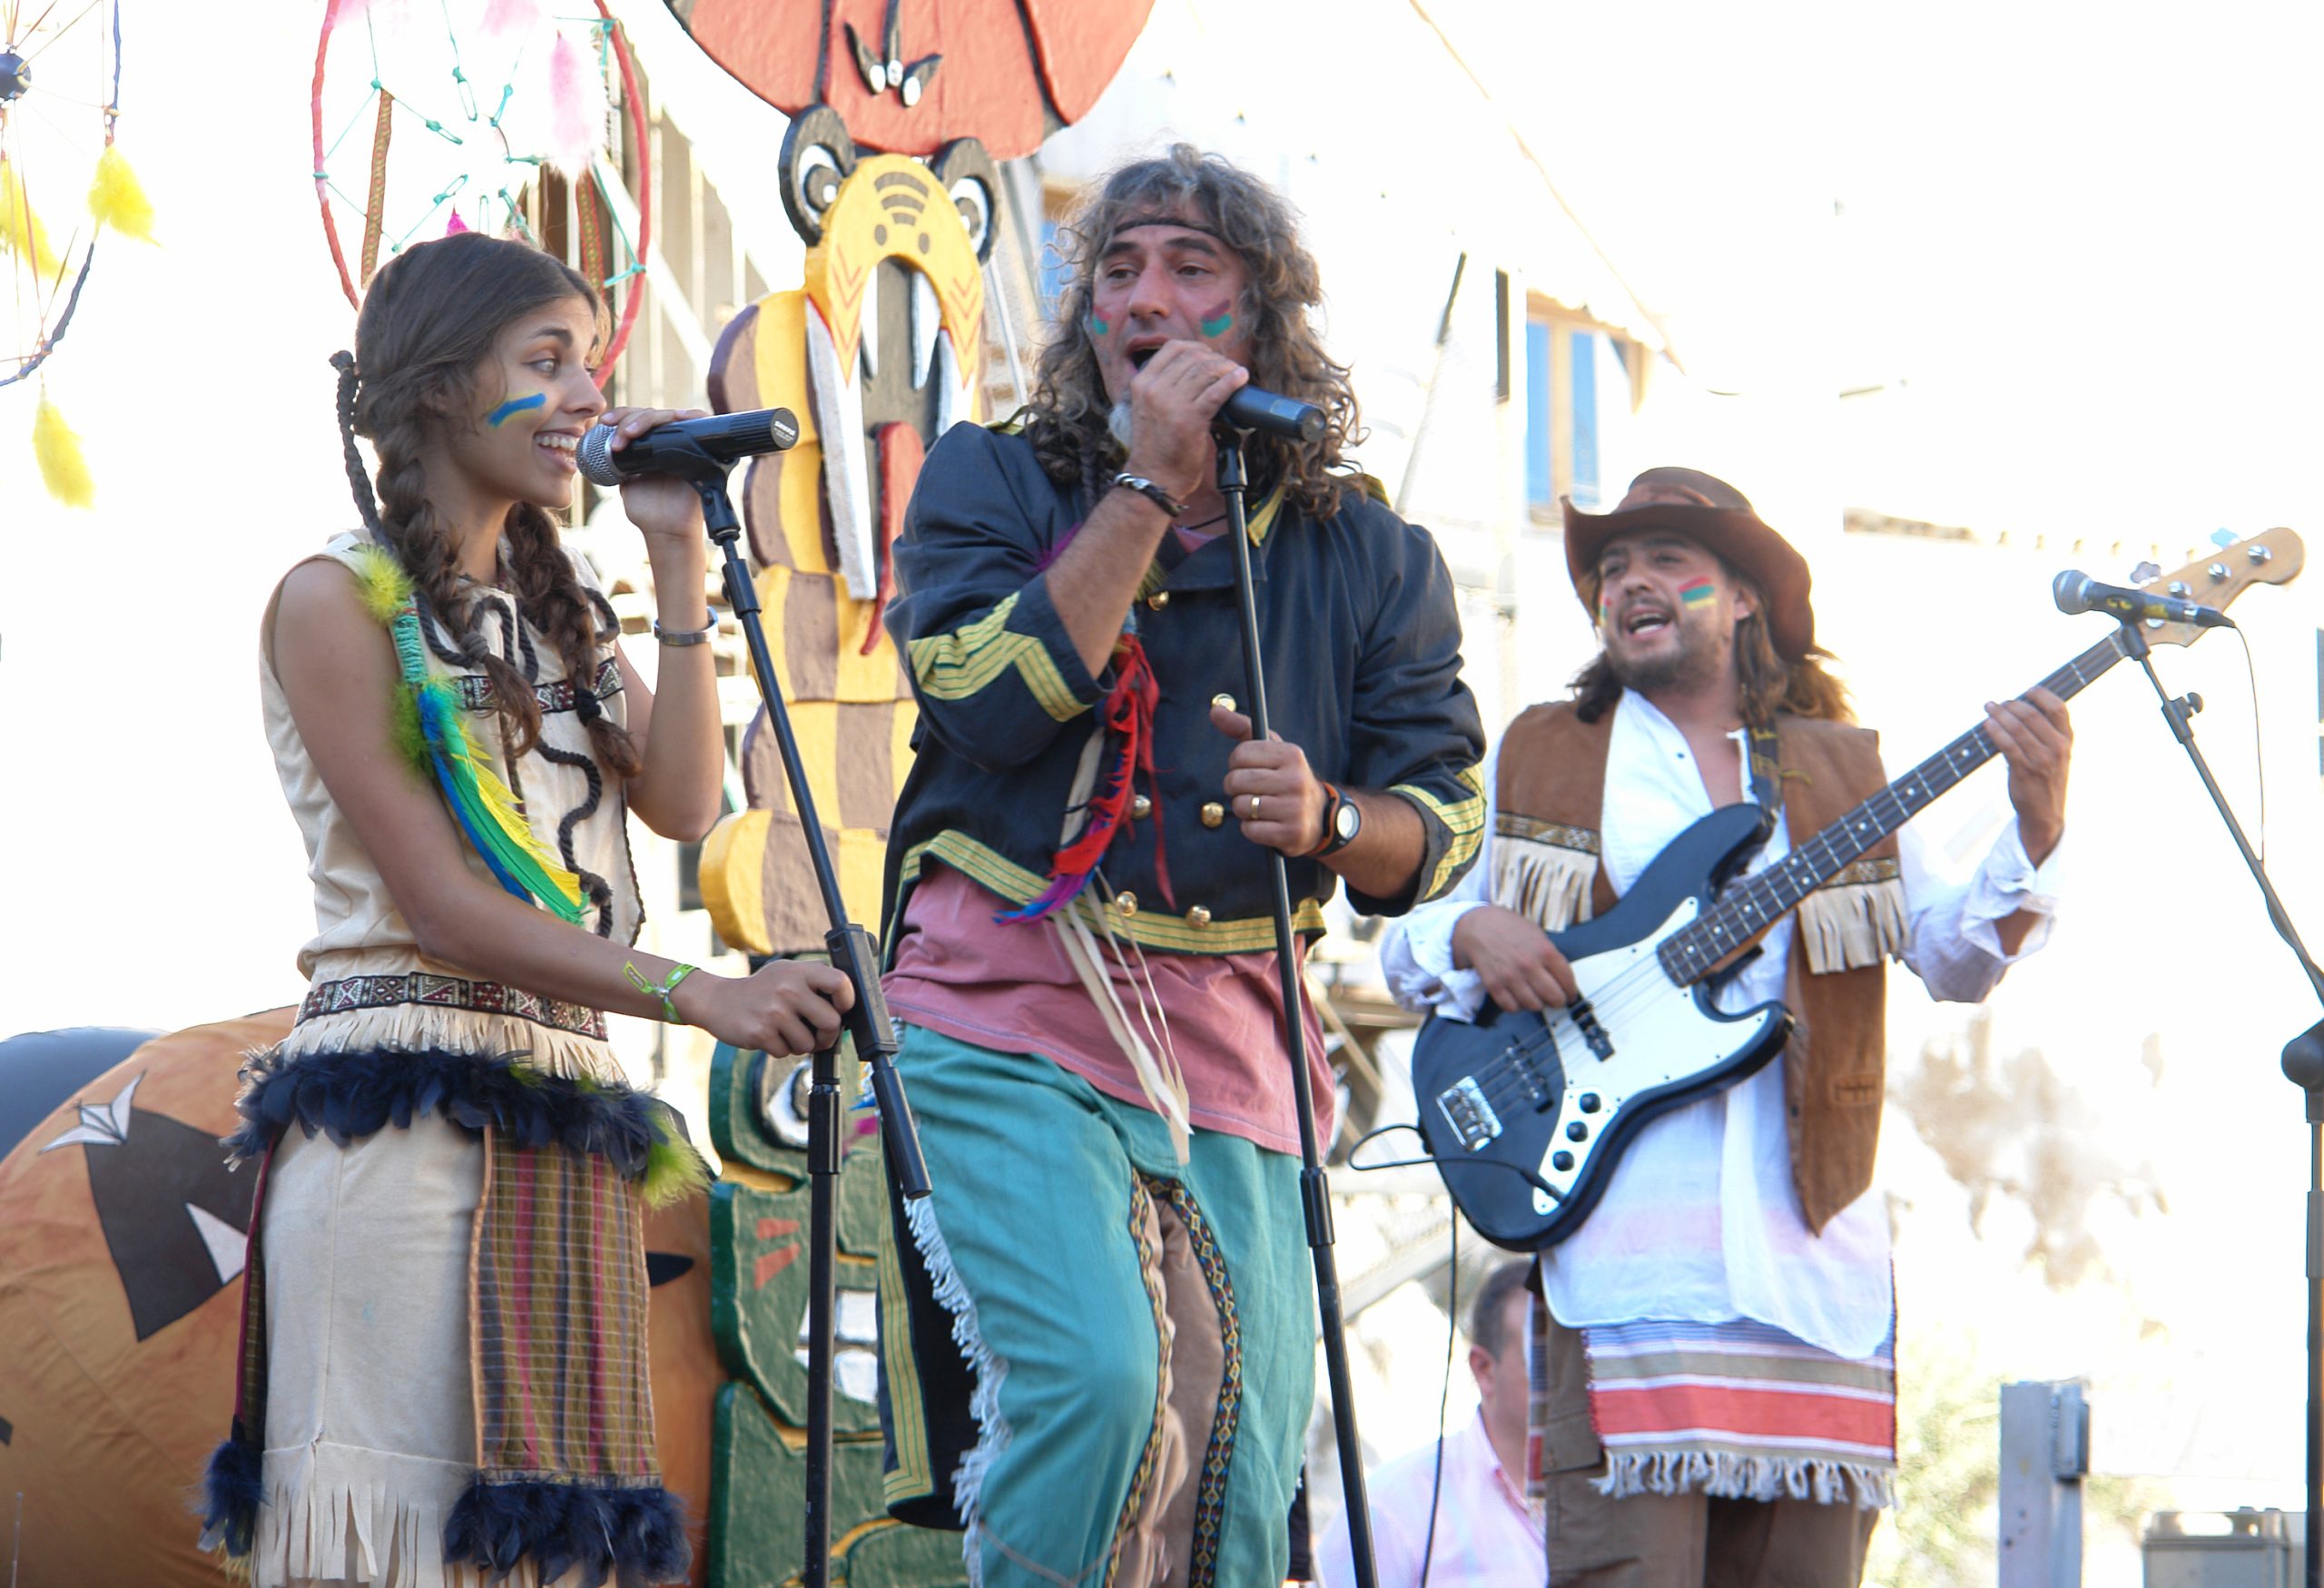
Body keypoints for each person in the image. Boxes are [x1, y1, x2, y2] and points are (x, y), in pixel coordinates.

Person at [870, 144, 1486, 1586]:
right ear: (1090, 318)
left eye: (1189, 267)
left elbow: (1445, 813)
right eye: (1119, 268)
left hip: (1237, 1033)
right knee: (1096, 1381)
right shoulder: (991, 479)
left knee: (1243, 1455)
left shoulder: (1372, 553)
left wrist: (1331, 820)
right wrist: (1149, 483)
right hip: (1011, 1000)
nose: (1145, 295)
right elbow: (983, 699)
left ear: (1259, 317)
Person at [200, 231, 853, 1588]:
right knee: (397, 1537)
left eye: (591, 361)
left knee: (546, 1542)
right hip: (402, 1113)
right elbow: (443, 908)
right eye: (546, 360)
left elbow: (684, 802)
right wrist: (699, 993)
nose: (588, 395)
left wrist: (675, 560)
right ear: (441, 386)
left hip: (563, 1108)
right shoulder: (334, 599)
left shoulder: (561, 615)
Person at [1380, 468, 2072, 1585]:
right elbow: (1411, 939)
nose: (1629, 583)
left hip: (1814, 1288)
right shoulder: (1542, 752)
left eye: (1667, 561)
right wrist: (1470, 931)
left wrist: (2034, 828)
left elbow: (1954, 959)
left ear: (1744, 597)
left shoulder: (1840, 771)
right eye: (1612, 568)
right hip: (1626, 1286)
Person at [1316, 1259, 1547, 1586]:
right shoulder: (1396, 1508)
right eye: (1544, 1359)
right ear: (1484, 1369)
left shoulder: (1606, 1484)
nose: (1571, 1376)